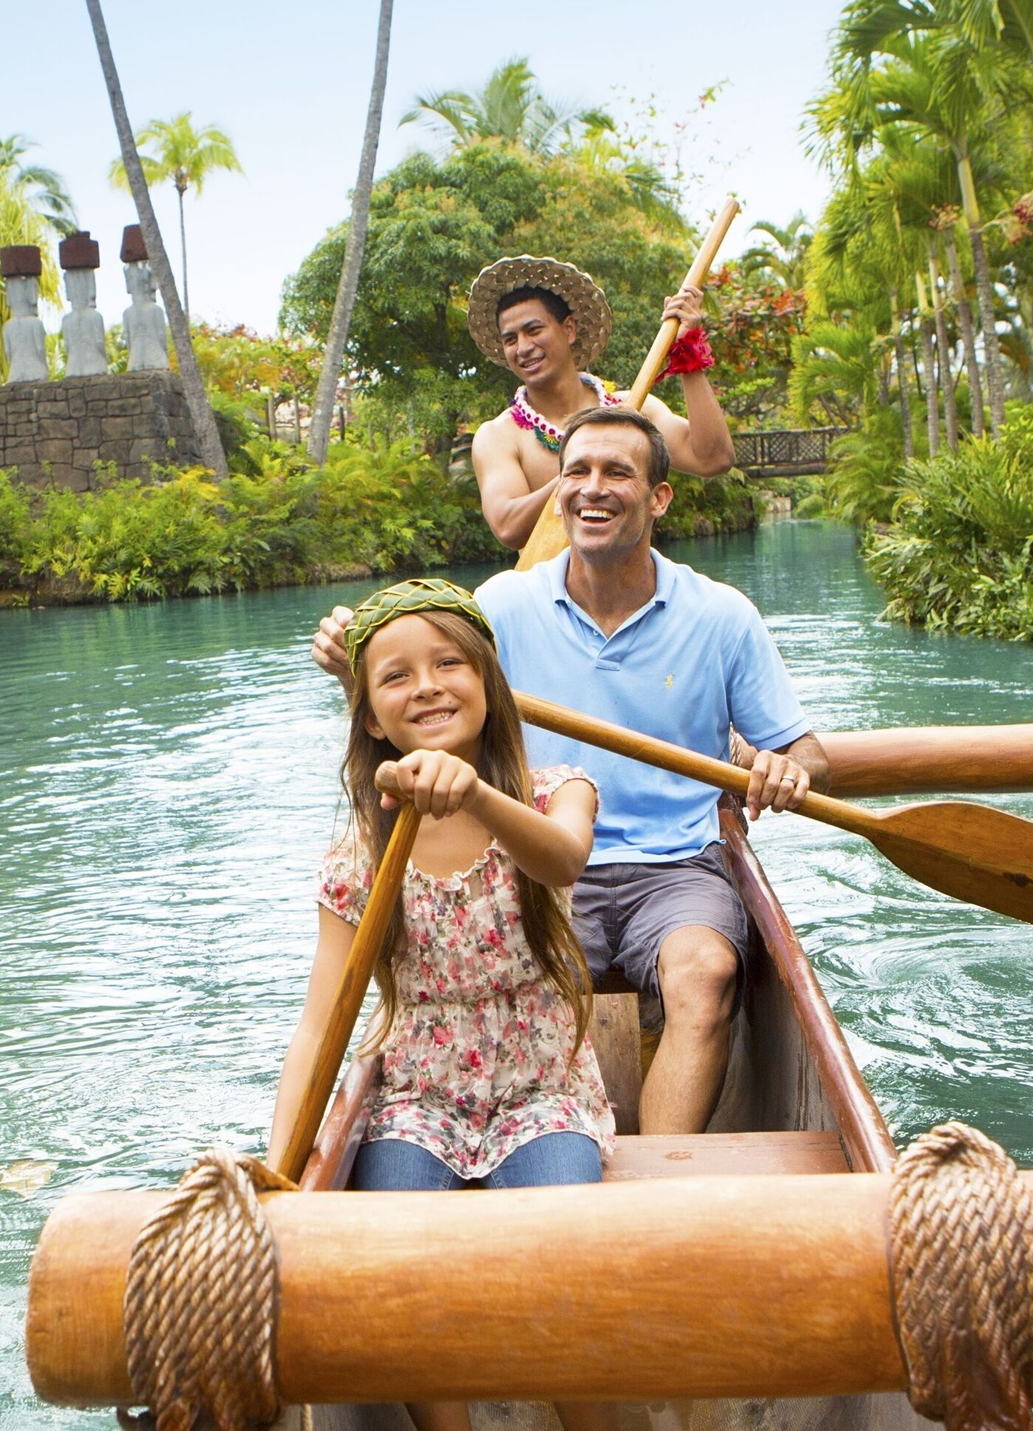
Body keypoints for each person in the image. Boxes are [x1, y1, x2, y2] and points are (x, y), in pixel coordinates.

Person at [270, 576, 668, 1431]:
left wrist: (470, 792)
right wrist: (278, 1171)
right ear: (367, 715)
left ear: (489, 682)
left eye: (449, 664)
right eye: (395, 676)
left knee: (565, 1259)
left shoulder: (553, 793)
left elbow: (562, 856)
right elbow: (320, 1023)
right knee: (397, 1269)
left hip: (541, 1082)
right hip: (420, 1091)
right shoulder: (362, 852)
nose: (428, 686)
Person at [315, 408, 828, 1136]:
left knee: (706, 974)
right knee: (498, 982)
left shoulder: (722, 615)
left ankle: (657, 1182)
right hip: (535, 856)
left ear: (658, 499)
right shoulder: (501, 606)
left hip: (678, 861)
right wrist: (350, 655)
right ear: (558, 492)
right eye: (577, 471)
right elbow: (415, 683)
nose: (593, 488)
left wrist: (782, 765)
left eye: (617, 472)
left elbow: (811, 755)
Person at [464, 255, 738, 551]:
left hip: (632, 591)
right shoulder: (498, 435)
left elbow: (714, 459)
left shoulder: (634, 408)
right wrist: (584, 462)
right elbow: (508, 527)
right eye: (510, 340)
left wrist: (687, 351)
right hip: (550, 594)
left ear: (568, 329)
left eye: (534, 330)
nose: (524, 347)